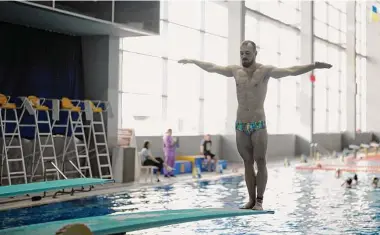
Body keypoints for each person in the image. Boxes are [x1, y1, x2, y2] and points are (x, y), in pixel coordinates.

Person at [178, 40, 332, 210]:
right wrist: (193, 61)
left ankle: (259, 201)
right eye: (242, 53)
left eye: (247, 53)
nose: (244, 56)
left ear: (255, 54)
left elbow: (290, 71)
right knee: (247, 162)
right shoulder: (235, 71)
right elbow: (212, 67)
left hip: (258, 124)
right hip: (240, 125)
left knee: (260, 161)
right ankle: (251, 200)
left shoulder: (265, 71)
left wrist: (313, 66)